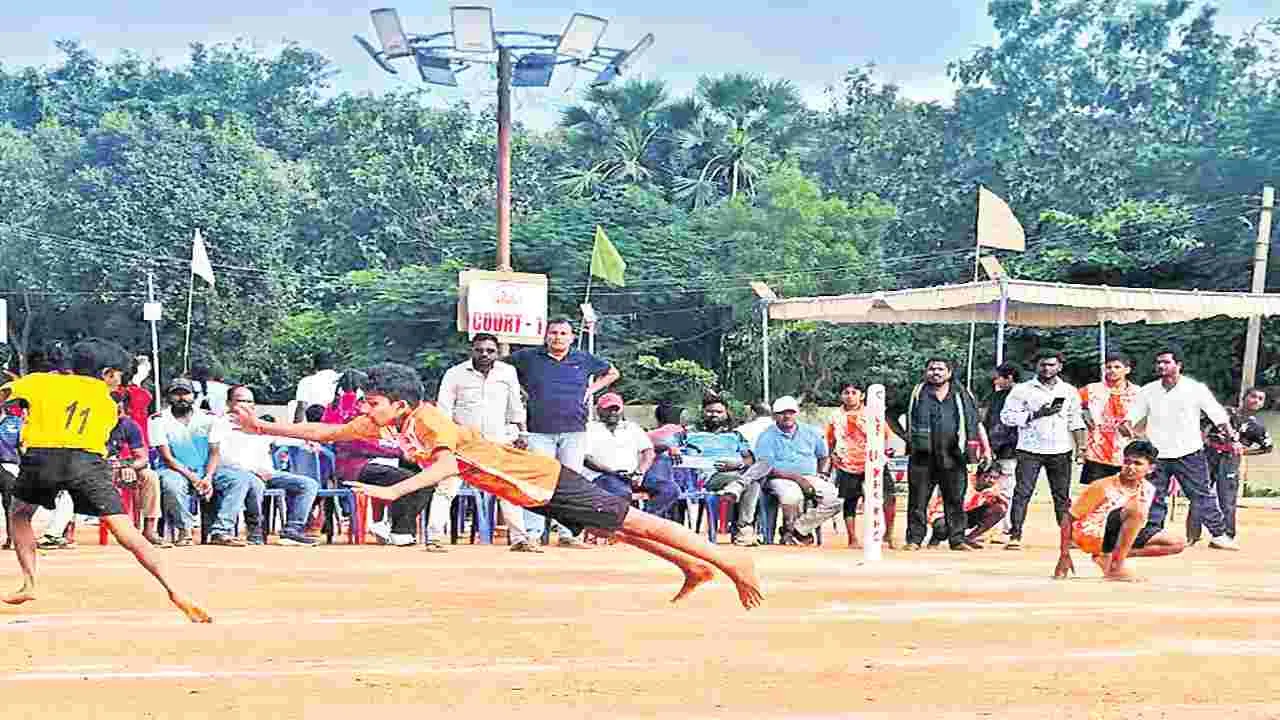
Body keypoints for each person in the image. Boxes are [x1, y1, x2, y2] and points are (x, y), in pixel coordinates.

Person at [232, 362, 762, 609]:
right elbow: (325, 432)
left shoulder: (429, 421)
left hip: (540, 480)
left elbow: (447, 465)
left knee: (632, 521)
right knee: (618, 531)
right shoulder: (392, 422)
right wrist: (264, 428)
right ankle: (693, 567)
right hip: (528, 490)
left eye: (372, 403)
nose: (365, 411)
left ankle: (730, 561)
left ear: (399, 402)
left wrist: (394, 493)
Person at [0, 338, 210, 621]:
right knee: (126, 531)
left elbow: (6, 393)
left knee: (20, 514)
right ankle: (174, 589)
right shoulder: (107, 402)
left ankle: (29, 581)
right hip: (87, 462)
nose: (119, 382)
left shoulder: (38, 381)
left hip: (42, 457)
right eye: (119, 376)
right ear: (107, 374)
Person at [509, 318, 620, 548]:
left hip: (574, 430)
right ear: (545, 335)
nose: (558, 337)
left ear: (571, 337)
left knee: (571, 484)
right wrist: (519, 391)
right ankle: (532, 534)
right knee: (537, 480)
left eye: (563, 333)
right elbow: (502, 369)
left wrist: (591, 390)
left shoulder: (583, 358)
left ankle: (568, 534)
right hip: (538, 430)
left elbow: (612, 373)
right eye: (553, 333)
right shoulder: (529, 357)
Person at [1120, 347, 1240, 551]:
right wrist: (1127, 427)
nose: (1161, 366)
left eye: (1166, 362)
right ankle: (1152, 533)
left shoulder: (1195, 388)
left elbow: (1218, 415)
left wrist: (1232, 438)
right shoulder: (1148, 390)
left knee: (1201, 495)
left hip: (1189, 452)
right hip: (1156, 454)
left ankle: (1219, 534)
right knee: (1154, 495)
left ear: (1179, 365)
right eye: (1159, 362)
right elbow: (1132, 416)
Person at [435, 333, 538, 553]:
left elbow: (515, 407)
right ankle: (434, 537)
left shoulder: (507, 372)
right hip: (462, 444)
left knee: (508, 490)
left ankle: (520, 539)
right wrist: (447, 441)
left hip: (497, 443)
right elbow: (443, 411)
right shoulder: (454, 374)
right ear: (471, 350)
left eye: (490, 351)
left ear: (497, 353)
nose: (484, 354)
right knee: (446, 488)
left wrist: (522, 434)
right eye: (479, 350)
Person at [1053, 440, 1185, 582]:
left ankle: (1110, 556)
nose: (1130, 467)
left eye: (1137, 463)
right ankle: (1116, 565)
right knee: (1136, 510)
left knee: (1177, 543)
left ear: (1151, 468)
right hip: (1092, 534)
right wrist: (1064, 554)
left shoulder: (1149, 489)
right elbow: (1068, 518)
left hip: (1119, 533)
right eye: (1127, 462)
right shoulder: (1102, 486)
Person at [149, 378, 254, 547]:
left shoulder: (209, 418)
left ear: (194, 396)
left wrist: (208, 477)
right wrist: (194, 479)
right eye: (176, 394)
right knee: (171, 484)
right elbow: (167, 458)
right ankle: (185, 531)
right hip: (174, 470)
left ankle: (221, 531)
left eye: (186, 393)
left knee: (240, 479)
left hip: (205, 469)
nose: (181, 398)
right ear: (168, 397)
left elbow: (214, 452)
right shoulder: (158, 420)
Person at [1000, 350, 1086, 550]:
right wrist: (1035, 414)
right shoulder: (1022, 390)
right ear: (1035, 366)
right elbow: (1006, 417)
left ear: (1059, 367)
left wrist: (1081, 448)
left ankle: (1067, 537)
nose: (1047, 369)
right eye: (1043, 365)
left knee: (1062, 496)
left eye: (1051, 365)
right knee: (1022, 493)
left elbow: (1076, 420)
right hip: (1029, 449)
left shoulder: (1069, 391)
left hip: (1060, 449)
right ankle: (1015, 535)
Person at [902, 358, 989, 551]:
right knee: (917, 500)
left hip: (954, 455)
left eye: (940, 369)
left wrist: (985, 449)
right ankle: (914, 540)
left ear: (949, 373)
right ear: (926, 372)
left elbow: (975, 423)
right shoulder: (916, 393)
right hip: (922, 456)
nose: (936, 372)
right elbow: (890, 412)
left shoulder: (962, 395)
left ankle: (957, 540)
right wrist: (905, 436)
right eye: (932, 369)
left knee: (955, 499)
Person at [222, 385, 321, 546]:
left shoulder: (257, 425)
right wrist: (254, 470)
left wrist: (306, 442)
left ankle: (292, 530)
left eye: (250, 401)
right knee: (254, 483)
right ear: (229, 403)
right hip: (241, 474)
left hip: (269, 474)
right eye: (241, 401)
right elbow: (222, 458)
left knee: (308, 484)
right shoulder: (221, 425)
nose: (247, 405)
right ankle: (255, 534)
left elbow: (280, 438)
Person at [1187, 386, 1272, 544]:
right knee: (1199, 495)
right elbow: (1199, 424)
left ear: (1262, 404)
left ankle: (1227, 536)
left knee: (1227, 499)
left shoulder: (1257, 427)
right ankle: (1192, 535)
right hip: (1208, 455)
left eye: (1260, 399)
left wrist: (1244, 452)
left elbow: (1267, 447)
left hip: (1230, 461)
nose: (1256, 401)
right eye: (1253, 396)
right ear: (1244, 397)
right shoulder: (1224, 412)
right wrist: (1203, 440)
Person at [754, 395, 838, 545]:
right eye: (782, 413)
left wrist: (823, 473)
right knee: (792, 496)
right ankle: (791, 533)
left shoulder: (811, 432)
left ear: (796, 413)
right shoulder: (766, 436)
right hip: (778, 477)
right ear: (774, 416)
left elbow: (824, 456)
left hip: (809, 476)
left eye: (791, 412)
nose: (787, 416)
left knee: (836, 499)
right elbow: (765, 467)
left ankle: (798, 529)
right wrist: (798, 479)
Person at [825, 382, 898, 550]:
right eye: (846, 392)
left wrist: (887, 451)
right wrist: (832, 456)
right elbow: (829, 440)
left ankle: (888, 535)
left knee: (889, 497)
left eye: (854, 392)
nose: (850, 396)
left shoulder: (873, 413)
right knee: (850, 501)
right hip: (848, 464)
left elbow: (887, 435)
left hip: (874, 462)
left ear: (862, 395)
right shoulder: (835, 417)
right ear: (841, 396)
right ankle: (852, 539)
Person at [682, 397, 763, 546]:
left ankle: (734, 492)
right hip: (708, 477)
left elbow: (749, 459)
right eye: (710, 411)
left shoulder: (735, 435)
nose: (714, 415)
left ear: (726, 413)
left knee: (755, 475)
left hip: (736, 472)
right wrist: (672, 448)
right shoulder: (690, 433)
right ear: (702, 412)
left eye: (719, 412)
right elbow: (669, 445)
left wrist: (738, 464)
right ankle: (743, 530)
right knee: (751, 481)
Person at [585, 394, 679, 520]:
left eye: (616, 409)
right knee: (622, 493)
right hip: (604, 475)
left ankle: (644, 521)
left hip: (634, 474)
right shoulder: (589, 429)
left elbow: (648, 451)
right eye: (608, 409)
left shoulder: (632, 427)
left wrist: (640, 472)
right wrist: (613, 472)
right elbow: (587, 459)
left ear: (621, 410)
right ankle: (627, 525)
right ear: (599, 410)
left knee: (670, 489)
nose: (613, 412)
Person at [1079, 355, 1140, 485]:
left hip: (1127, 454)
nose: (1112, 370)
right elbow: (1071, 404)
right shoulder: (1091, 390)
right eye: (1109, 367)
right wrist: (1084, 415)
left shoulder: (1138, 393)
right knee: (1095, 494)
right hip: (1096, 454)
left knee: (1125, 493)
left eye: (1117, 367)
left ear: (1127, 369)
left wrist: (1137, 431)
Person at [925, 460, 1008, 549]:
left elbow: (1004, 505)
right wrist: (980, 494)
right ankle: (936, 538)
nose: (991, 480)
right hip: (945, 514)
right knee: (942, 527)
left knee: (999, 509)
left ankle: (969, 538)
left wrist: (998, 496)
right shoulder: (963, 481)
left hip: (966, 515)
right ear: (978, 475)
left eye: (995, 478)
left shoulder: (993, 486)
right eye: (987, 476)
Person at [983, 363, 1020, 540]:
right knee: (994, 489)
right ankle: (993, 526)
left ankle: (1007, 528)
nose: (995, 381)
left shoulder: (1022, 395)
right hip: (997, 448)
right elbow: (990, 422)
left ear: (1009, 377)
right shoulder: (996, 396)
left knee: (1008, 490)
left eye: (998, 377)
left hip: (1012, 450)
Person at [294, 352, 340, 422]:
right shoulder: (343, 379)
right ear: (334, 366)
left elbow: (301, 407)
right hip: (341, 424)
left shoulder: (305, 381)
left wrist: (296, 426)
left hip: (315, 423)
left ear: (314, 366)